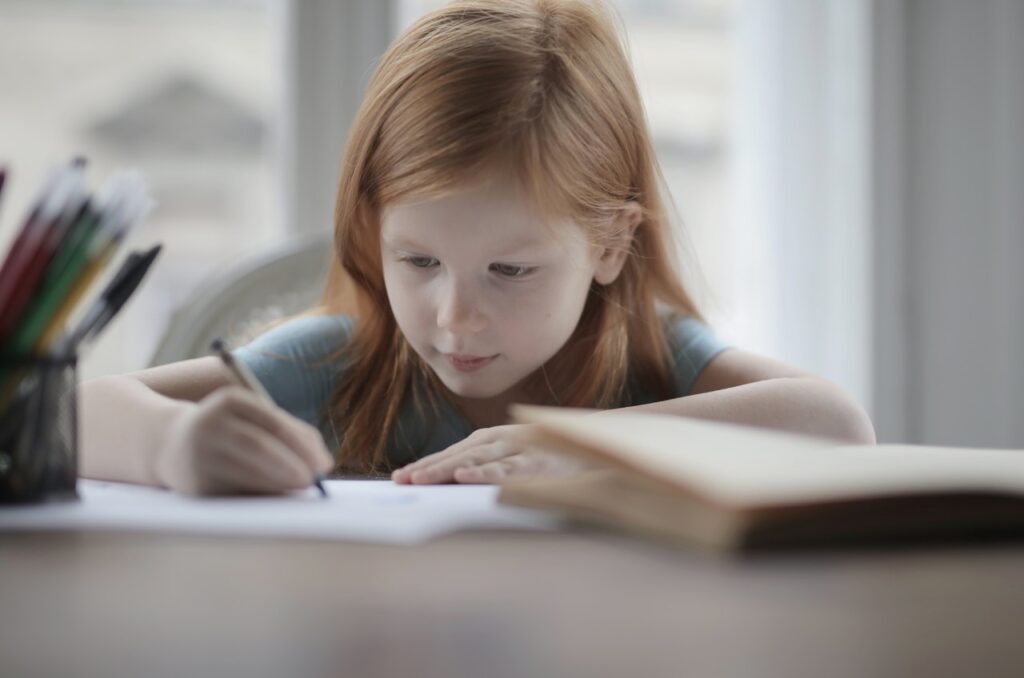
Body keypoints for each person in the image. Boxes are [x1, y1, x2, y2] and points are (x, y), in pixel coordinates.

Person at [79, 0, 875, 497]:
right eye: (418, 262)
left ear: (610, 244)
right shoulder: (344, 366)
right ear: (372, 229)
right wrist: (170, 443)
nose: (454, 319)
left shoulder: (645, 360)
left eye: (510, 270)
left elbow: (835, 424)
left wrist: (585, 447)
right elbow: (65, 413)